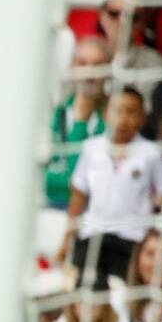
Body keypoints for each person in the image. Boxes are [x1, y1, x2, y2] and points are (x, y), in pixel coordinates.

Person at [63, 86, 162, 289]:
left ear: (142, 118)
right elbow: (79, 195)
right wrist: (67, 238)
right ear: (105, 114)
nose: (123, 119)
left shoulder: (150, 153)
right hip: (92, 235)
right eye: (117, 111)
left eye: (131, 112)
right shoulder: (91, 149)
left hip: (131, 240)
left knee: (127, 295)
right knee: (84, 291)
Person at [47, 37, 111, 210]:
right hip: (46, 205)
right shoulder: (56, 112)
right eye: (82, 63)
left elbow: (84, 182)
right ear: (72, 67)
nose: (89, 72)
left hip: (90, 211)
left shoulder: (115, 119)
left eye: (97, 65)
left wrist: (80, 123)